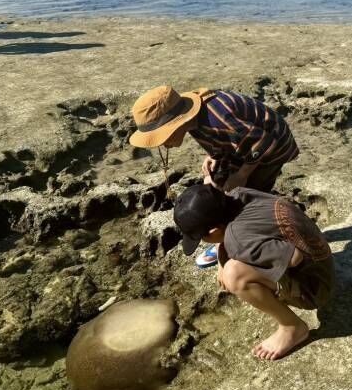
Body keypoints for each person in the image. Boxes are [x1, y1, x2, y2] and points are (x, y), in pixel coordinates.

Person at [130, 85, 300, 267]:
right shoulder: (194, 119)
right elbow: (228, 138)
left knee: (247, 193)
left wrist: (242, 175)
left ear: (177, 123)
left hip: (271, 149)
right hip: (244, 146)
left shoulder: (217, 121)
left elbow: (262, 142)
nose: (164, 145)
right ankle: (226, 236)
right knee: (215, 185)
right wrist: (213, 154)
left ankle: (250, 241)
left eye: (162, 138)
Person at [173, 184, 335, 360]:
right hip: (321, 259)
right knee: (231, 264)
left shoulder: (238, 240)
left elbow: (294, 258)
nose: (203, 242)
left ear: (214, 230)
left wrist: (241, 262)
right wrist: (222, 257)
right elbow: (241, 232)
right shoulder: (238, 194)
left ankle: (292, 327)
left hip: (316, 288)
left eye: (202, 238)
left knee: (234, 275)